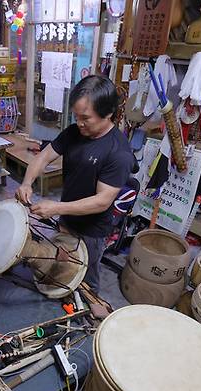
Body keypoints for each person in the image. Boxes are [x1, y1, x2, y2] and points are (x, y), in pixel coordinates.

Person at [15, 75, 136, 294]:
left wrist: (55, 207)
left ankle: (90, 320)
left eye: (85, 118)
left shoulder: (118, 152)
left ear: (108, 113)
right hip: (67, 219)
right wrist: (26, 183)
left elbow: (102, 201)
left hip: (92, 231)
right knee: (60, 268)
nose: (79, 123)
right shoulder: (74, 132)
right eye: (76, 116)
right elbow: (43, 157)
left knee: (85, 281)